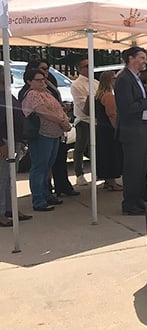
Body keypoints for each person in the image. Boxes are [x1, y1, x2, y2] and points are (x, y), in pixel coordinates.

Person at [22, 59, 79, 199]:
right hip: (42, 135)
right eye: (39, 80)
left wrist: (63, 118)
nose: (43, 81)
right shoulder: (32, 94)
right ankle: (39, 199)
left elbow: (56, 108)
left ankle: (47, 195)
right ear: (30, 81)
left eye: (43, 79)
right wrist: (62, 121)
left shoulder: (46, 92)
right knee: (39, 168)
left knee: (47, 167)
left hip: (54, 135)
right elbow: (42, 111)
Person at [114, 46, 147, 215]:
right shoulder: (124, 79)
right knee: (133, 168)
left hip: (140, 127)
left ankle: (139, 199)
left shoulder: (135, 78)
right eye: (141, 58)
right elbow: (127, 108)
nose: (144, 61)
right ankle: (131, 203)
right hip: (132, 129)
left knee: (141, 167)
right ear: (131, 58)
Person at [0, 65, 32, 225]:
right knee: (3, 178)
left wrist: (22, 141)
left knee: (11, 178)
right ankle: (1, 213)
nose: (11, 76)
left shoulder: (7, 94)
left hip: (16, 140)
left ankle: (10, 208)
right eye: (7, 74)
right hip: (5, 142)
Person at [70, 56, 98, 186]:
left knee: (96, 148)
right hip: (84, 120)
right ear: (79, 69)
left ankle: (98, 170)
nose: (89, 68)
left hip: (97, 120)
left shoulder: (96, 82)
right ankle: (79, 174)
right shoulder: (77, 85)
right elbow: (83, 106)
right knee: (80, 147)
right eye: (86, 66)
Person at [93, 71, 123, 191]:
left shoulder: (97, 95)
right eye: (114, 78)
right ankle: (111, 180)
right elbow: (112, 114)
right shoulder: (108, 95)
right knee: (111, 154)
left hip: (101, 127)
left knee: (104, 154)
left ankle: (107, 180)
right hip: (108, 129)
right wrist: (117, 128)